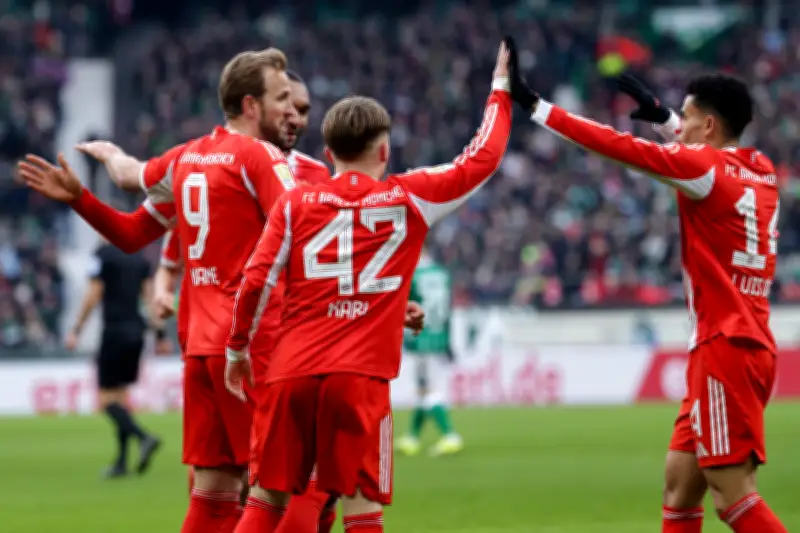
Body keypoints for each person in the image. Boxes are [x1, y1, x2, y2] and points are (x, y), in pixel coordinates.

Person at [223, 38, 513, 533]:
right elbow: (480, 159)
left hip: (291, 373)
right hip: (357, 380)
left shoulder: (297, 202)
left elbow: (256, 280)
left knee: (265, 498)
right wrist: (500, 89)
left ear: (327, 151)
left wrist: (237, 350)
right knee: (361, 508)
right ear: (384, 149)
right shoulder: (408, 198)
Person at [504, 36, 786, 533]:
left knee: (734, 498)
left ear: (710, 125)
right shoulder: (761, 171)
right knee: (679, 490)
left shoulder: (702, 170)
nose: (681, 127)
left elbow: (619, 147)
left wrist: (537, 106)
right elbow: (704, 151)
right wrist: (667, 119)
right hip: (743, 342)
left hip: (726, 347)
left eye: (688, 117)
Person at [21, 47, 297, 533]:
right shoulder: (260, 156)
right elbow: (304, 223)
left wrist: (82, 199)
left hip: (201, 351)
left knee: (213, 496)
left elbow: (132, 230)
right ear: (251, 106)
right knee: (285, 485)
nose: (290, 108)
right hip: (251, 345)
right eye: (281, 98)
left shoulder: (187, 158)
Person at [67, 236, 162, 478]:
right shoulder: (139, 256)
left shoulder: (102, 255)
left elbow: (94, 293)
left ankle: (144, 437)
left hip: (115, 331)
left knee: (106, 399)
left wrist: (77, 328)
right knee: (120, 397)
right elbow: (150, 297)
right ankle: (121, 463)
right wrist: (160, 334)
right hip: (137, 333)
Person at [397, 245, 463, 457]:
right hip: (439, 336)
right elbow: (447, 309)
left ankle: (450, 435)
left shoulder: (413, 275)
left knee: (430, 391)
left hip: (420, 338)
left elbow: (405, 307)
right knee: (423, 390)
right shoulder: (443, 274)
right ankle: (413, 438)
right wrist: (448, 340)